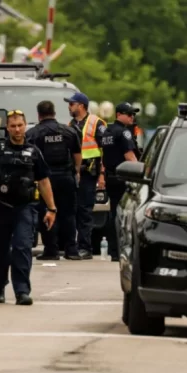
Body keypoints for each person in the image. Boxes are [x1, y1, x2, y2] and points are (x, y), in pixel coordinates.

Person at [0, 110, 57, 305]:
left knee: (22, 247)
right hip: (0, 207)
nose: (17, 130)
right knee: (0, 252)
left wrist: (52, 209)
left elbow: (43, 181)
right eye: (13, 126)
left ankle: (22, 291)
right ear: (7, 128)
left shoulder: (34, 152)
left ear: (26, 126)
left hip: (24, 208)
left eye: (20, 125)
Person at [26, 100, 82, 261]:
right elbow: (77, 155)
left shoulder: (33, 134)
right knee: (69, 213)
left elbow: (30, 157)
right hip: (66, 177)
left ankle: (51, 250)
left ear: (39, 115)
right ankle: (72, 250)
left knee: (47, 211)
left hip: (45, 180)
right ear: (54, 113)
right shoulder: (69, 131)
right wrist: (76, 171)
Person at [64, 92, 107, 260]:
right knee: (72, 210)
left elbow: (105, 151)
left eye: (71, 104)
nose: (69, 106)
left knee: (85, 211)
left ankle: (85, 248)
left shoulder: (96, 123)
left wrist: (102, 175)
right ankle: (73, 246)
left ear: (81, 105)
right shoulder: (71, 124)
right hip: (74, 172)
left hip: (89, 173)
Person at [100, 102, 139, 261]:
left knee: (113, 214)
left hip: (110, 177)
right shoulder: (124, 133)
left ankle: (113, 250)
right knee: (124, 215)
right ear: (119, 114)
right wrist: (141, 174)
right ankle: (120, 250)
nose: (132, 117)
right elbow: (130, 157)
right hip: (123, 178)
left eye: (133, 114)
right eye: (129, 114)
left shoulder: (108, 132)